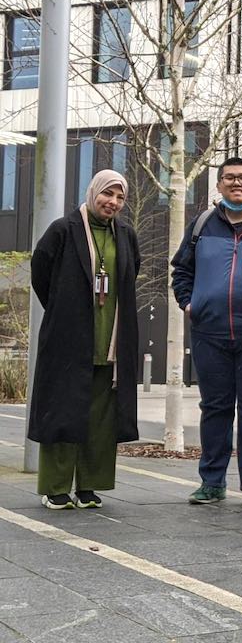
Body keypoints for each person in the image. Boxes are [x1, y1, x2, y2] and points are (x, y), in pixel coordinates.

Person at [29, 169, 140, 510]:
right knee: (62, 412)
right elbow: (41, 271)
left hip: (111, 342)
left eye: (120, 197)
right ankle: (56, 488)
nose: (113, 202)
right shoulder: (64, 229)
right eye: (108, 194)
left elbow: (131, 272)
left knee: (101, 419)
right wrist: (65, 309)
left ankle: (90, 486)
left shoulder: (125, 233)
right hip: (69, 339)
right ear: (93, 193)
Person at [171, 157, 242, 509]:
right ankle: (211, 482)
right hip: (209, 333)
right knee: (214, 408)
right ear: (218, 186)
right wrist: (189, 304)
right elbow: (181, 272)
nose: (236, 183)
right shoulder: (202, 224)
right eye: (229, 178)